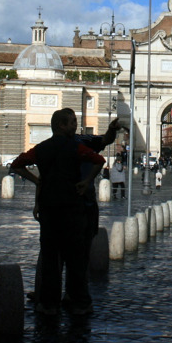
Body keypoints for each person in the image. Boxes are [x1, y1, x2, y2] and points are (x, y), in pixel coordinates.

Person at [11, 108, 105, 316]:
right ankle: (81, 302)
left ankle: (48, 303)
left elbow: (17, 165)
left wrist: (37, 180)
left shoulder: (41, 149)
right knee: (76, 260)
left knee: (51, 259)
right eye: (71, 122)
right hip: (72, 209)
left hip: (49, 209)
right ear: (61, 125)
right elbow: (99, 161)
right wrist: (87, 181)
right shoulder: (76, 148)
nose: (75, 125)